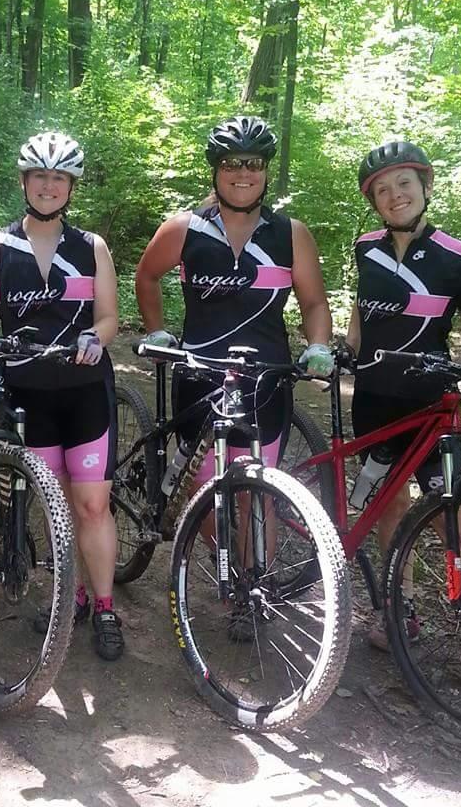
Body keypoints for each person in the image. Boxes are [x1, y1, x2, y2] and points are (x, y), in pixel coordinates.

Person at [0, 131, 125, 661]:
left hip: (85, 390)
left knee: (92, 503)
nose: (48, 185)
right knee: (54, 501)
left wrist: (96, 336)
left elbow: (108, 317)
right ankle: (72, 595)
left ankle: (102, 604)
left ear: (71, 187)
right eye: (39, 175)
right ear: (24, 181)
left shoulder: (91, 248)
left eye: (58, 177)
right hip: (26, 394)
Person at [134, 116, 332, 627]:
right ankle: (227, 559)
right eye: (231, 164)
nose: (242, 173)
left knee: (256, 492)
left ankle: (251, 588)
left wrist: (318, 346)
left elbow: (313, 302)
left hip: (266, 381)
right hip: (199, 376)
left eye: (253, 164)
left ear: (266, 173)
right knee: (204, 490)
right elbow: (146, 275)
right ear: (216, 171)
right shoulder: (185, 228)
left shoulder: (292, 235)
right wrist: (158, 331)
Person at [346, 140, 461, 673]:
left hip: (430, 403)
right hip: (373, 399)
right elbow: (361, 314)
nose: (394, 195)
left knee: (453, 513)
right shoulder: (366, 247)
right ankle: (398, 607)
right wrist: (343, 350)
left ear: (425, 187)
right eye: (383, 189)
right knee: (388, 505)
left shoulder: (459, 257)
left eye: (404, 184)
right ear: (373, 201)